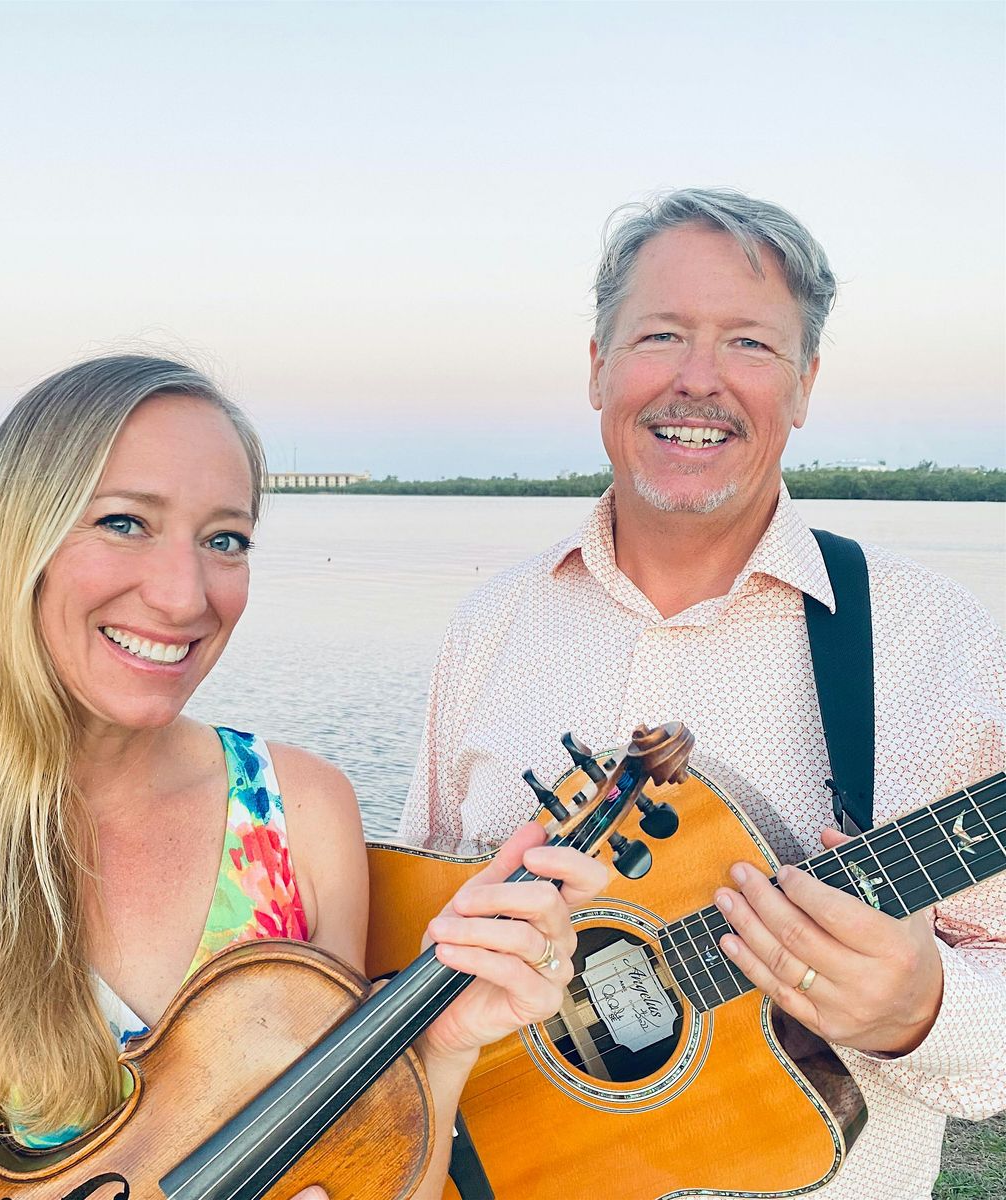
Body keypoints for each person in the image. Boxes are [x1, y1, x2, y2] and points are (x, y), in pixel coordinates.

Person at [0, 354, 609, 1200]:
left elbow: (351, 1176)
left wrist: (440, 1053)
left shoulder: (300, 813)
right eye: (124, 522)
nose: (185, 594)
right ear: (15, 541)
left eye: (225, 539)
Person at [399, 188, 1006, 1199]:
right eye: (662, 334)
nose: (698, 381)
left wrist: (923, 1010)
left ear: (805, 384)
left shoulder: (945, 641)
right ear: (597, 366)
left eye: (749, 346)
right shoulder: (490, 624)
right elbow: (413, 919)